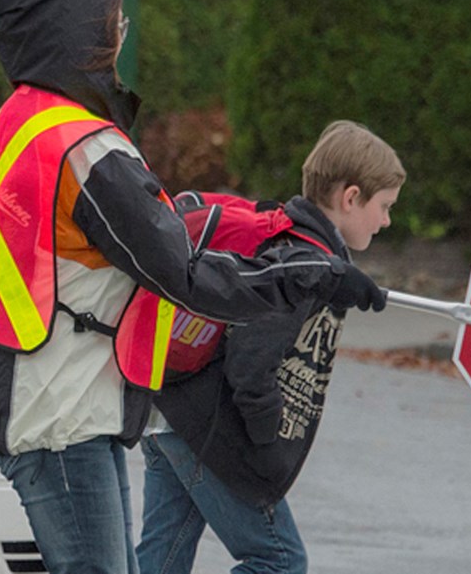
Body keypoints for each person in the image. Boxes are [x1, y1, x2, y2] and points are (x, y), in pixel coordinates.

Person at [0, 0, 384, 574]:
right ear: (78, 32)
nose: (120, 34)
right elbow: (184, 273)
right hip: (67, 411)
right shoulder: (85, 148)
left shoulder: (4, 135)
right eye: (114, 20)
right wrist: (308, 274)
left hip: (45, 409)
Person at [135, 120, 406, 574]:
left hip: (169, 414)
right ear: (351, 197)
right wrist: (265, 439)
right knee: (279, 561)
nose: (386, 221)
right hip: (210, 431)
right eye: (384, 206)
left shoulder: (286, 237)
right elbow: (250, 363)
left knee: (161, 561)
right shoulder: (303, 264)